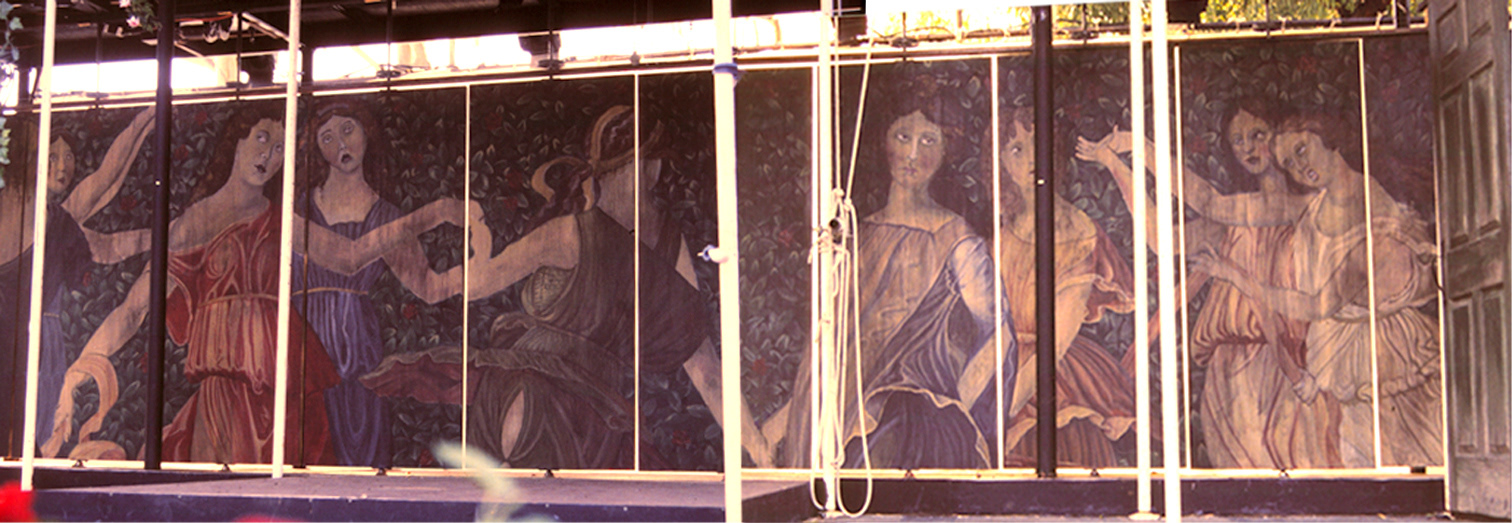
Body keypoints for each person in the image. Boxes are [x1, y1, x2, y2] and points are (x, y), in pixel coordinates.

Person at [42, 108, 466, 463]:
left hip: (284, 394)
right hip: (225, 395)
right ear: (237, 143)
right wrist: (79, 369)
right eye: (262, 139)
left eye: (279, 148)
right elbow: (134, 306)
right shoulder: (194, 222)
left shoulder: (282, 219)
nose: (269, 155)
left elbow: (351, 256)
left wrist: (434, 214)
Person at [360, 105, 770, 469]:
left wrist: (757, 448)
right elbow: (705, 370)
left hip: (594, 409)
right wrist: (757, 447)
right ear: (647, 167)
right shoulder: (588, 236)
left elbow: (700, 362)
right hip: (540, 394)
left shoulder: (643, 241)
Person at [1077, 99, 1334, 468]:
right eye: (1237, 140)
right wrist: (1116, 164)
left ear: (1279, 137)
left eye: (1258, 134)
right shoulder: (1234, 219)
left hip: (1288, 362)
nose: (1247, 147)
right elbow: (1161, 239)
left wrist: (1141, 146)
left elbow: (1209, 202)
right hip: (1230, 371)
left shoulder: (1298, 205)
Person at [767, 98, 1013, 470]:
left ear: (946, 151)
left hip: (908, 423)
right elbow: (844, 343)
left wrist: (954, 408)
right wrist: (786, 420)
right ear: (884, 141)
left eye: (928, 141)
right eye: (903, 136)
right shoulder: (859, 235)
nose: (913, 153)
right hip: (837, 410)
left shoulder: (956, 239)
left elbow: (999, 333)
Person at [1195, 115, 1442, 468]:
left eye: (1302, 150)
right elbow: (1212, 205)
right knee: (1360, 461)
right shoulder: (1313, 206)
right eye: (1289, 163)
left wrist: (1236, 277)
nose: (1299, 167)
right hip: (1344, 360)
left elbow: (1317, 304)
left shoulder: (1370, 204)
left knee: (1411, 456)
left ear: (1329, 139)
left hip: (1390, 354)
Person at [292, 100, 473, 468]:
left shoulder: (386, 216)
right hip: (306, 348)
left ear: (366, 133)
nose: (341, 144)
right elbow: (349, 258)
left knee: (363, 456)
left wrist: (481, 269)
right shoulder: (297, 211)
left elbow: (429, 287)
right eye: (327, 138)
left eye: (348, 130)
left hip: (360, 352)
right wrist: (436, 213)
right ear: (317, 150)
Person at [0, 107, 155, 455]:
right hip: (27, 343)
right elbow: (107, 178)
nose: (61, 166)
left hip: (38, 343)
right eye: (49, 155)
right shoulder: (47, 218)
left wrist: (159, 238)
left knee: (25, 441)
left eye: (68, 157)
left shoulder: (58, 221)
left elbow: (108, 185)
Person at [998, 107, 1137, 468]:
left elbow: (1056, 341)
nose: (1032, 159)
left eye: (1039, 145)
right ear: (1000, 162)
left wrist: (997, 410)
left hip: (1056, 381)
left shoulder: (1075, 229)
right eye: (1016, 149)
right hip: (1003, 370)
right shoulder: (1002, 233)